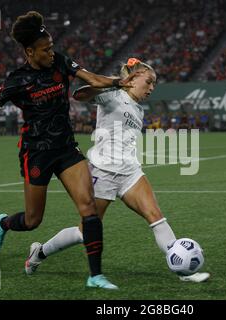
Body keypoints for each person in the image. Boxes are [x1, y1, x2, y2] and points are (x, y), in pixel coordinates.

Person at [0, 11, 138, 289]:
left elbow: (90, 77)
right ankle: (4, 224)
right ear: (30, 51)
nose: (51, 52)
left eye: (52, 46)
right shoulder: (17, 80)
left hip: (66, 149)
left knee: (89, 209)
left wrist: (117, 81)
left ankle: (95, 275)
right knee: (32, 221)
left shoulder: (61, 62)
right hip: (36, 153)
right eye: (45, 49)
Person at [24, 58, 210, 284]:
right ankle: (39, 253)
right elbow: (80, 95)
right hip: (103, 172)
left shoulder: (139, 110)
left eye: (154, 85)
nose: (151, 88)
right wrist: (113, 83)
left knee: (156, 217)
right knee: (85, 232)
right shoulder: (112, 94)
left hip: (130, 172)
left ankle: (182, 271)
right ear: (133, 78)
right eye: (149, 82)